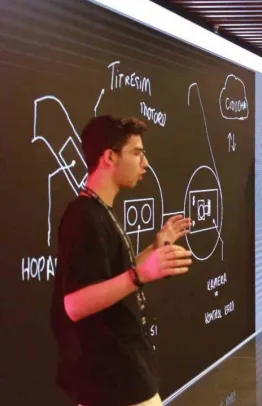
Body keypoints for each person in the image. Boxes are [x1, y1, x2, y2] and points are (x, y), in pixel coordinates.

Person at [50, 115, 193, 406]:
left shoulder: (98, 211)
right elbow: (74, 304)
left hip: (121, 370)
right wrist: (139, 275)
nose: (145, 163)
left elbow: (110, 274)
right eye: (137, 153)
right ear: (110, 157)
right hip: (112, 377)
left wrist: (154, 249)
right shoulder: (84, 217)